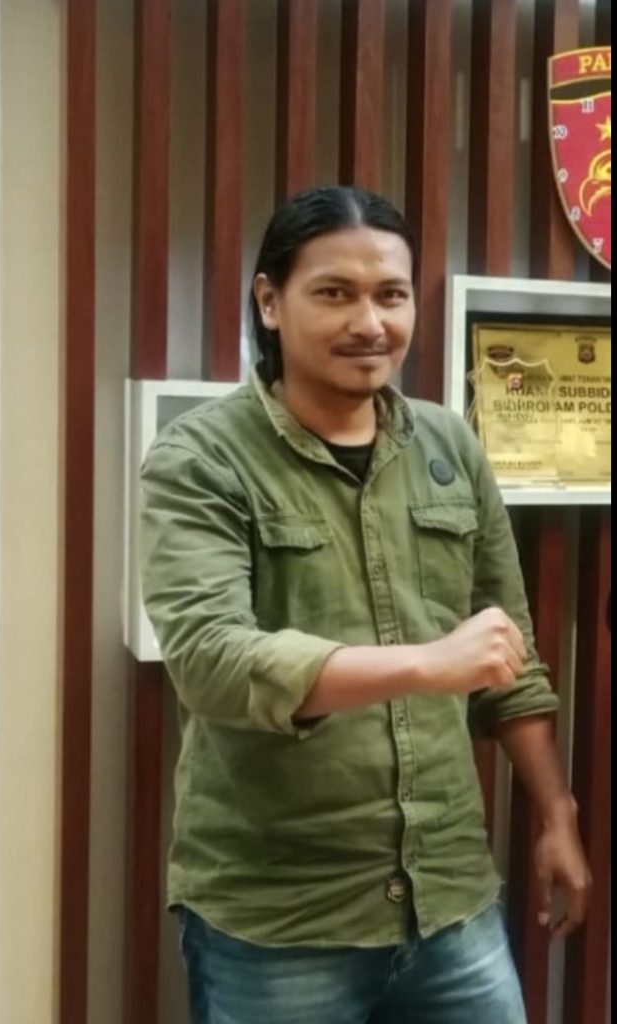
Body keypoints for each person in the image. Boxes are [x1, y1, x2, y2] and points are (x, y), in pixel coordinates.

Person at [140, 186, 591, 1024]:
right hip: (279, 915)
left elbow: (510, 655)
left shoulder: (449, 442)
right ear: (270, 301)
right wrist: (427, 665)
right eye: (334, 293)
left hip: (450, 896)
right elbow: (211, 661)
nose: (369, 323)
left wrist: (556, 812)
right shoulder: (201, 457)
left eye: (391, 295)